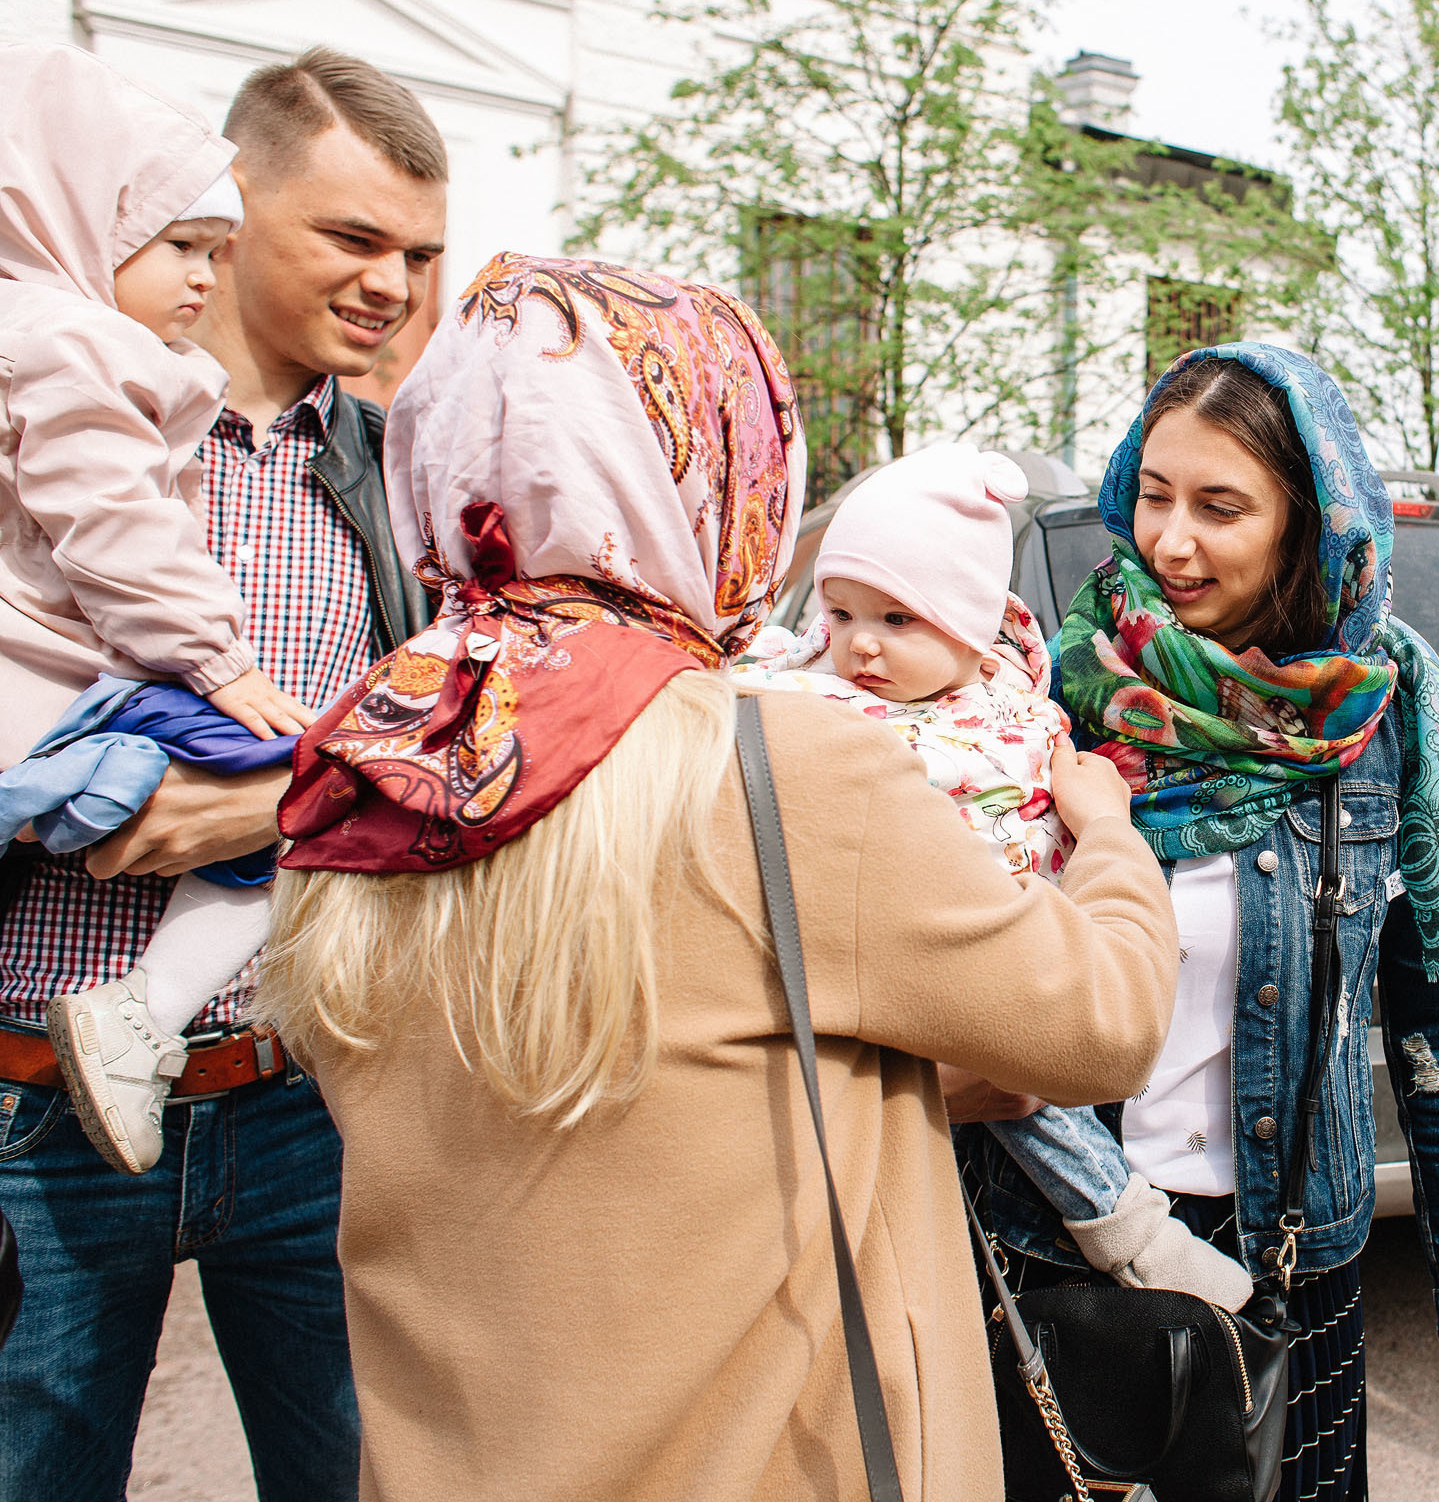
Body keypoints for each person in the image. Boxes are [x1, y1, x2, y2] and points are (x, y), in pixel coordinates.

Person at [254, 252, 1179, 1502]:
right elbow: (1104, 1021)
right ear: (720, 467)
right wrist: (1107, 830)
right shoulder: (781, 767)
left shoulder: (366, 761)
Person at [957, 344, 1439, 1498]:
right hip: (1054, 1249)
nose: (1170, 542)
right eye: (1156, 496)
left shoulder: (1386, 718)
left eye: (1221, 507)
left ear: (1305, 523)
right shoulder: (1050, 695)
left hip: (1289, 1269)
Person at [0, 45, 443, 1502]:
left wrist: (270, 804)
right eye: (354, 238)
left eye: (420, 255)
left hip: (301, 1099)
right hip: (28, 1116)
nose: (391, 284)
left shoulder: (400, 478)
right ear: (226, 204)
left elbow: (463, 770)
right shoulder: (56, 418)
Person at [743, 442, 1255, 1309]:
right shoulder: (811, 707)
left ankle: (1126, 1227)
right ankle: (1128, 1227)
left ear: (972, 631)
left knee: (1029, 1095)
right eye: (841, 614)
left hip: (1000, 979)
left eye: (898, 620)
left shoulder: (1022, 713)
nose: (861, 645)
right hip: (898, 974)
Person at [0, 47, 320, 1174]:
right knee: (309, 778)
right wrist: (214, 659)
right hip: (23, 1092)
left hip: (275, 1097)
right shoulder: (76, 347)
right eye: (181, 246)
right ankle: (139, 1013)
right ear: (88, 222)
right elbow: (112, 521)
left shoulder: (56, 342)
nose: (202, 278)